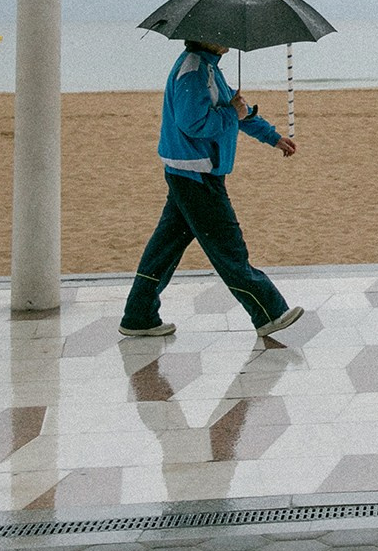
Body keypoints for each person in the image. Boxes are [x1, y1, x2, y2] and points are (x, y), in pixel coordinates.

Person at [120, 39, 304, 338]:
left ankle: (138, 316)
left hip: (190, 172)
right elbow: (193, 123)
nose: (228, 38)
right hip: (197, 174)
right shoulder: (193, 72)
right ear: (204, 36)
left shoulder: (207, 67)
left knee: (164, 249)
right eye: (222, 34)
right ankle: (269, 312)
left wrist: (272, 137)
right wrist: (232, 113)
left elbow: (238, 110)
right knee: (228, 246)